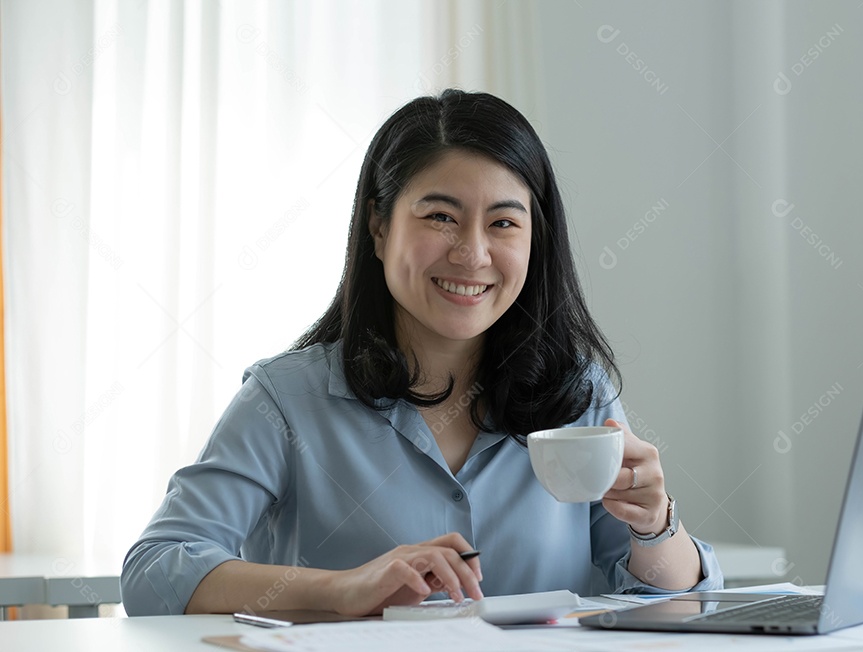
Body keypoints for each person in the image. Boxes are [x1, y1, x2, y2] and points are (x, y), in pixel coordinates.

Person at [121, 89, 723, 617]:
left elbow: (670, 603)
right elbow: (156, 569)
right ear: (379, 227)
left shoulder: (578, 395)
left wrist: (656, 524)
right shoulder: (286, 400)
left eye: (503, 224)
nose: (472, 254)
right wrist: (343, 588)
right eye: (441, 216)